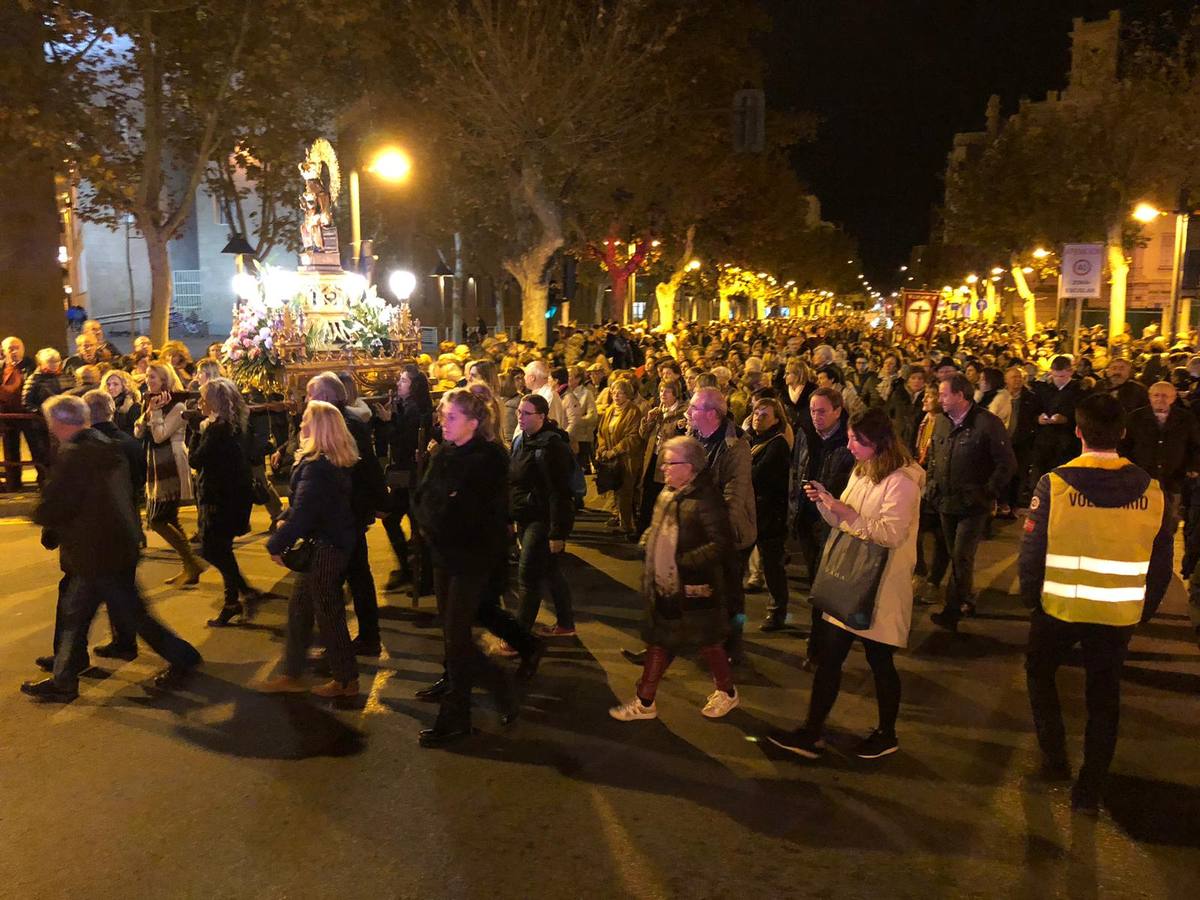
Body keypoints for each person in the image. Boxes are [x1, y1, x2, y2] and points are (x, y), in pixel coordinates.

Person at [1020, 393, 1172, 815]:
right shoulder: (1153, 490)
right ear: (1122, 434)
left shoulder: (1055, 484)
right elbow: (1161, 564)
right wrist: (1145, 609)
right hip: (1117, 614)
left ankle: (1054, 759)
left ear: (1078, 432)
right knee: (1104, 697)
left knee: (1039, 673)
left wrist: (1032, 598)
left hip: (1058, 609)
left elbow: (1033, 550)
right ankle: (1089, 787)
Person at [21, 395, 203, 702]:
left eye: (51, 422)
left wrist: (39, 516)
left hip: (95, 552)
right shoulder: (106, 446)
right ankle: (64, 677)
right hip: (113, 546)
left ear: (61, 422)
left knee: (126, 615)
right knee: (77, 615)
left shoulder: (75, 454)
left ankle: (183, 657)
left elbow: (57, 504)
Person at [768, 407, 923, 760]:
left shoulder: (901, 481)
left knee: (880, 661)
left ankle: (886, 734)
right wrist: (826, 501)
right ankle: (811, 731)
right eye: (851, 438)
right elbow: (846, 517)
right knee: (830, 658)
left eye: (857, 440)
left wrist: (846, 513)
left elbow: (889, 533)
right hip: (850, 582)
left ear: (879, 443)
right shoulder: (863, 470)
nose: (850, 445)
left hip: (880, 585)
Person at [609, 436, 740, 721]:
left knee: (707, 642)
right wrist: (649, 542)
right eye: (663, 462)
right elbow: (659, 528)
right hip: (667, 585)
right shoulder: (669, 493)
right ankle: (645, 702)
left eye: (671, 463)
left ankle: (726, 692)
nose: (664, 469)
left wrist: (681, 563)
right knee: (662, 640)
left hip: (696, 588)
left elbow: (722, 544)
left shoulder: (706, 498)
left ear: (690, 466)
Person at [413, 389, 516, 747]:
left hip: (471, 559)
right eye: (443, 415)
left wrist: (445, 514)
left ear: (473, 423)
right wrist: (433, 519)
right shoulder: (445, 453)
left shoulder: (489, 460)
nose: (443, 422)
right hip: (444, 555)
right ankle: (478, 686)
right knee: (450, 631)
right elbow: (425, 497)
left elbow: (480, 515)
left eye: (451, 417)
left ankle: (459, 716)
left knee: (458, 636)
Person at [259, 400, 361, 698]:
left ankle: (346, 681)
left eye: (305, 420)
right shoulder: (328, 462)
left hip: (326, 548)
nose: (301, 424)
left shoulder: (317, 468)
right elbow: (303, 508)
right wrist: (282, 519)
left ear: (317, 428)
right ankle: (293, 673)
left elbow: (304, 514)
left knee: (328, 613)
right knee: (300, 609)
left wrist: (276, 544)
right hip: (329, 544)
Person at [927, 373, 1016, 633]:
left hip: (973, 505)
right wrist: (933, 484)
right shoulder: (942, 423)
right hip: (946, 501)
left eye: (944, 394)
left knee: (961, 556)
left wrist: (987, 492)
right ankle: (965, 598)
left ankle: (953, 610)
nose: (939, 399)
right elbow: (935, 455)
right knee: (955, 556)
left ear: (961, 395)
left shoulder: (987, 424)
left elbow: (1007, 464)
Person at [306, 372, 387, 656]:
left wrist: (377, 503)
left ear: (327, 396)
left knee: (344, 578)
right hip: (348, 512)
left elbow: (367, 467)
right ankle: (364, 636)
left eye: (311, 395)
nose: (307, 401)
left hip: (345, 513)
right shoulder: (342, 421)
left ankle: (351, 642)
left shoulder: (346, 424)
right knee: (355, 576)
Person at [188, 378, 261, 627]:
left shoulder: (217, 430)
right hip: (236, 497)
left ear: (213, 403)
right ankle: (238, 595)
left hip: (218, 499)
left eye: (203, 399)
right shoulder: (238, 424)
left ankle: (237, 597)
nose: (199, 404)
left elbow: (196, 460)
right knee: (223, 549)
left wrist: (197, 433)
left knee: (211, 549)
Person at [789, 388, 855, 659]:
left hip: (833, 519)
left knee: (823, 583)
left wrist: (828, 496)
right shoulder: (805, 434)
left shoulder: (849, 442)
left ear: (838, 411)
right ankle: (823, 637)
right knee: (815, 579)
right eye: (813, 410)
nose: (816, 416)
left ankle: (818, 647)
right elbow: (797, 469)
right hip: (806, 516)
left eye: (822, 411)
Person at [1119, 381, 1200, 584]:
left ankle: (1160, 563)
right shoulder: (1136, 418)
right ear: (1149, 397)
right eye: (1156, 395)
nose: (1160, 399)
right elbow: (1125, 446)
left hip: (1173, 481)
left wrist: (1192, 468)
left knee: (1168, 523)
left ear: (1173, 398)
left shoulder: (1185, 419)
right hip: (1142, 480)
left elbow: (1195, 446)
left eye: (1165, 396)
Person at [511, 393, 577, 637]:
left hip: (542, 520)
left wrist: (557, 532)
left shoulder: (551, 446)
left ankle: (518, 636)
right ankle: (566, 624)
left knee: (527, 574)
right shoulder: (521, 441)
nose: (520, 417)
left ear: (542, 416)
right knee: (550, 570)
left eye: (526, 413)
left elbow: (560, 492)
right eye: (519, 412)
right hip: (525, 516)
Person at [135, 362, 205, 585]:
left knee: (156, 520)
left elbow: (160, 436)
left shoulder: (178, 406)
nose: (148, 380)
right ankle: (190, 565)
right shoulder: (151, 401)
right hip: (155, 462)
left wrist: (154, 413)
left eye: (153, 377)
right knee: (169, 517)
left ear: (165, 380)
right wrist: (147, 413)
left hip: (171, 463)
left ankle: (191, 562)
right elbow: (138, 431)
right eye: (147, 376)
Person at [378, 365, 434, 591]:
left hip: (413, 476)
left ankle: (421, 575)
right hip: (405, 476)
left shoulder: (416, 409)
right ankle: (410, 569)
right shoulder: (407, 406)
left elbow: (404, 441)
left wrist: (388, 420)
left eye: (403, 380)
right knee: (399, 521)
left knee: (415, 525)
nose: (398, 384)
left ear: (413, 386)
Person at [747, 397, 792, 631]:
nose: (758, 418)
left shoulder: (777, 445)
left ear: (776, 419)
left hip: (769, 515)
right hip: (753, 511)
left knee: (772, 565)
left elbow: (756, 476)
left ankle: (777, 612)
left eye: (764, 415)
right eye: (756, 413)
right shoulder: (754, 440)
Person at [595, 378, 643, 538]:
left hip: (627, 459)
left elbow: (633, 437)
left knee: (626, 492)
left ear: (627, 395)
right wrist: (602, 447)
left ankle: (628, 525)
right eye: (614, 393)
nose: (616, 396)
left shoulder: (633, 411)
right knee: (616, 490)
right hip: (611, 458)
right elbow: (601, 432)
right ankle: (620, 518)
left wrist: (614, 451)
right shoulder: (609, 410)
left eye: (620, 393)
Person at [637, 379, 687, 534]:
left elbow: (679, 436)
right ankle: (643, 531)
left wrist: (679, 425)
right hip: (652, 458)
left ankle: (659, 534)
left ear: (675, 393)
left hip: (667, 462)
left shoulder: (682, 412)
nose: (662, 394)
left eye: (667, 391)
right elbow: (643, 435)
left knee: (663, 498)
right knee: (647, 496)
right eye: (661, 391)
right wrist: (649, 420)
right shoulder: (658, 410)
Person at [21, 347, 65, 486]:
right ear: (42, 363)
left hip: (56, 422)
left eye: (56, 361)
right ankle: (45, 482)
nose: (54, 364)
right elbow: (26, 402)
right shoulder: (34, 379)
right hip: (40, 425)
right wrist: (41, 412)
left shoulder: (58, 376)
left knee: (57, 454)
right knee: (42, 454)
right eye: (51, 362)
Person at [1, 336, 35, 492]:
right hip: (7, 416)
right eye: (10, 348)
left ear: (23, 349)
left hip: (29, 416)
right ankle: (13, 485)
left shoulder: (31, 366)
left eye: (17, 348)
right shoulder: (1, 368)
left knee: (36, 449)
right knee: (10, 452)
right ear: (4, 351)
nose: (14, 351)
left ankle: (43, 480)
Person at [567, 364, 598, 473]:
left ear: (578, 378)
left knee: (582, 471)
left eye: (570, 375)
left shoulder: (586, 393)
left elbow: (593, 416)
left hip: (582, 438)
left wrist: (578, 420)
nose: (567, 378)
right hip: (569, 436)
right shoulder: (566, 393)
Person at [104, 369, 142, 436]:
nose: (111, 387)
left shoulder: (133, 406)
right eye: (108, 384)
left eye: (116, 384)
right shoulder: (106, 404)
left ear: (124, 386)